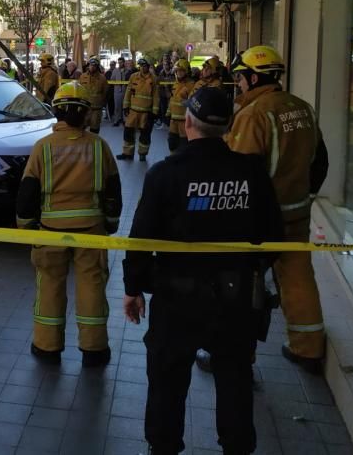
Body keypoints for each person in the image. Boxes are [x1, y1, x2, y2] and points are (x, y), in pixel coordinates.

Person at [122, 87, 284, 455]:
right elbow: (274, 236)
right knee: (235, 379)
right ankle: (237, 446)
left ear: (188, 122)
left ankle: (163, 447)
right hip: (235, 297)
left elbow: (140, 238)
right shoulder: (252, 173)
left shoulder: (166, 174)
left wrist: (134, 288)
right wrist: (250, 270)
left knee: (166, 380)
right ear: (227, 127)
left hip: (177, 298)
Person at [218, 45, 329, 374]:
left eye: (240, 78)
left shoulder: (254, 114)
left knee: (242, 285)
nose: (238, 84)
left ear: (254, 77)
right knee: (298, 277)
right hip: (296, 212)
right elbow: (320, 162)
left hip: (258, 220)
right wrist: (305, 197)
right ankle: (308, 348)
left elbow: (241, 171)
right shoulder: (302, 109)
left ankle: (238, 357)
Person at [16, 82, 122, 366]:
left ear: (57, 113)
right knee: (92, 288)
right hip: (91, 232)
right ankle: (94, 349)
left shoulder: (42, 148)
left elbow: (27, 192)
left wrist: (27, 227)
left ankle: (47, 347)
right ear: (86, 114)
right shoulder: (100, 147)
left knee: (50, 286)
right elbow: (113, 191)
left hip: (51, 232)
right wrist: (110, 224)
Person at [118, 58, 159, 162]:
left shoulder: (153, 79)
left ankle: (142, 154)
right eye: (141, 66)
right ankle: (127, 154)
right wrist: (125, 106)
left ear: (148, 66)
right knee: (128, 132)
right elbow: (128, 92)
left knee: (145, 135)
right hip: (133, 111)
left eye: (144, 66)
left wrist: (154, 112)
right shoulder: (133, 77)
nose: (142, 68)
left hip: (146, 113)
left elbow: (156, 96)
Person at [166, 58, 195, 153]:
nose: (179, 73)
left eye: (181, 71)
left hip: (184, 121)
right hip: (173, 121)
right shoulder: (176, 84)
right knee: (172, 142)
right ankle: (173, 162)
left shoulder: (191, 85)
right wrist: (168, 114)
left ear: (186, 72)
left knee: (184, 145)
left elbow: (193, 103)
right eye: (177, 71)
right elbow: (172, 100)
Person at [78, 58, 108, 134]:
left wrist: (102, 102)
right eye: (91, 65)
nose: (92, 67)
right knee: (81, 128)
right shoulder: (82, 76)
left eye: (94, 65)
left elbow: (105, 92)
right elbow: (79, 90)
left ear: (97, 66)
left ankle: (94, 144)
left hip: (96, 108)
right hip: (84, 107)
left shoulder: (102, 78)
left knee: (94, 129)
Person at [156, 54, 175, 128]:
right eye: (163, 65)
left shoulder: (173, 73)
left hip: (171, 94)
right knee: (163, 109)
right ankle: (163, 123)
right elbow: (158, 82)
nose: (165, 66)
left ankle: (169, 123)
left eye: (166, 65)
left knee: (170, 109)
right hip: (162, 94)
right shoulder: (161, 73)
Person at [109, 60, 126, 126]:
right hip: (117, 91)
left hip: (125, 91)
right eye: (119, 62)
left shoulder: (127, 70)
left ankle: (124, 120)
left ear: (123, 63)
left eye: (121, 62)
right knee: (117, 106)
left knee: (125, 106)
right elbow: (112, 79)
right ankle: (117, 120)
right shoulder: (115, 70)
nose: (120, 63)